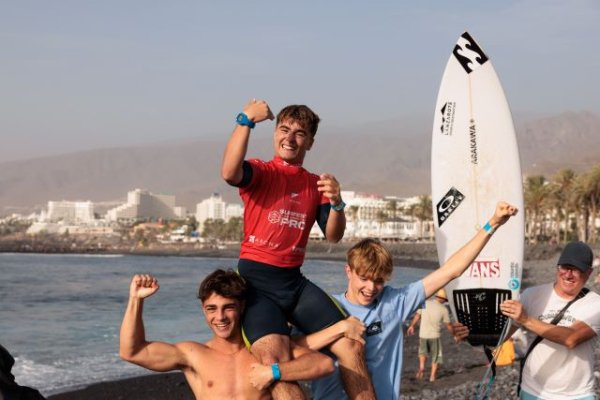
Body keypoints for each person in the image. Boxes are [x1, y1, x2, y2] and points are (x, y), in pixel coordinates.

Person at [221, 100, 374, 399]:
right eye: (284, 129)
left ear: (310, 142)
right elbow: (229, 172)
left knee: (352, 344)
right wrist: (246, 120)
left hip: (294, 282)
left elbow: (334, 235)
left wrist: (338, 203)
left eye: (300, 133)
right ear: (275, 133)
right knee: (275, 362)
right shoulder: (262, 172)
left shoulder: (315, 185)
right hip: (256, 284)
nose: (290, 138)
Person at [308, 201, 518, 400]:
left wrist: (493, 223)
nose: (371, 288)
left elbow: (450, 271)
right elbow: (294, 347)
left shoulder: (394, 302)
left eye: (379, 281)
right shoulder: (325, 307)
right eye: (363, 279)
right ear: (348, 271)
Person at [119, 269, 337, 400]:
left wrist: (273, 372)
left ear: (242, 307)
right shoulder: (193, 354)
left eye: (228, 307)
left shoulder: (264, 350)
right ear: (203, 310)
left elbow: (324, 364)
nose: (220, 317)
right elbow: (132, 351)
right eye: (211, 309)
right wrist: (136, 300)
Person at [500, 241, 600, 400]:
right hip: (532, 392)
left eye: (576, 269)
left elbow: (571, 338)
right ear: (558, 267)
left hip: (576, 395)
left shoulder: (595, 304)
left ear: (588, 273)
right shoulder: (532, 295)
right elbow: (499, 337)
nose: (568, 274)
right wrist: (469, 334)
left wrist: (525, 319)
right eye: (565, 267)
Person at [406, 289, 454, 382]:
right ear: (444, 300)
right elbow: (448, 325)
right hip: (435, 336)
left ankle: (422, 367)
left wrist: (411, 326)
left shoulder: (425, 303)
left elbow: (417, 316)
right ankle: (432, 376)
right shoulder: (443, 309)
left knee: (422, 352)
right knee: (436, 356)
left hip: (423, 334)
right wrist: (454, 334)